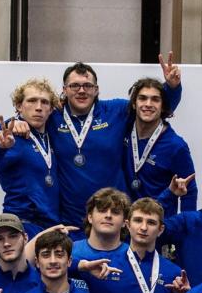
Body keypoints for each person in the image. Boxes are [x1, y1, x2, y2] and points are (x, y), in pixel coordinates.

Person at [43, 56, 183, 227]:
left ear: (96, 90)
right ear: (64, 89)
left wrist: (172, 88)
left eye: (88, 86)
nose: (81, 91)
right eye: (74, 86)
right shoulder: (52, 116)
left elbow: (154, 109)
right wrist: (19, 122)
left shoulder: (116, 111)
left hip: (115, 217)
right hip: (71, 219)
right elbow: (27, 115)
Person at [0, 78, 61, 235]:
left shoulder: (52, 136)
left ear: (51, 109)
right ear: (19, 106)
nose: (39, 107)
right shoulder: (13, 138)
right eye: (32, 101)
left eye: (45, 102)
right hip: (23, 223)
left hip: (51, 224)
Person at [124, 77, 197, 214]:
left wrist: (186, 229)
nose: (148, 104)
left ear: (163, 106)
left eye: (155, 100)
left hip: (161, 226)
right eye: (142, 98)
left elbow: (189, 191)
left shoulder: (176, 146)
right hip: (126, 226)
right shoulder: (123, 132)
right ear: (134, 103)